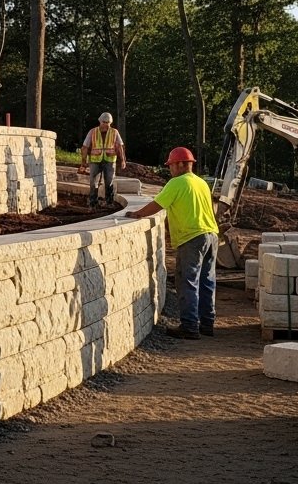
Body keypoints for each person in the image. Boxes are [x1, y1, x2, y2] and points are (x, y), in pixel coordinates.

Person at [127, 147, 219, 339]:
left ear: (179, 164)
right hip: (211, 235)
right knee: (207, 281)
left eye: (171, 166)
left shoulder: (176, 183)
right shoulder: (201, 183)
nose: (170, 170)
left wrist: (137, 214)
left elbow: (157, 204)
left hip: (191, 237)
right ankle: (207, 324)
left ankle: (190, 326)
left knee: (188, 281)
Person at [80, 112, 127, 208]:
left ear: (111, 122)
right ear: (100, 121)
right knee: (93, 183)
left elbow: (120, 147)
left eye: (108, 122)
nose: (106, 124)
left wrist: (122, 160)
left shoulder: (114, 132)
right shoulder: (92, 132)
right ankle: (93, 203)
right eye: (104, 122)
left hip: (110, 160)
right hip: (95, 161)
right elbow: (85, 147)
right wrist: (83, 162)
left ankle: (109, 203)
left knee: (109, 182)